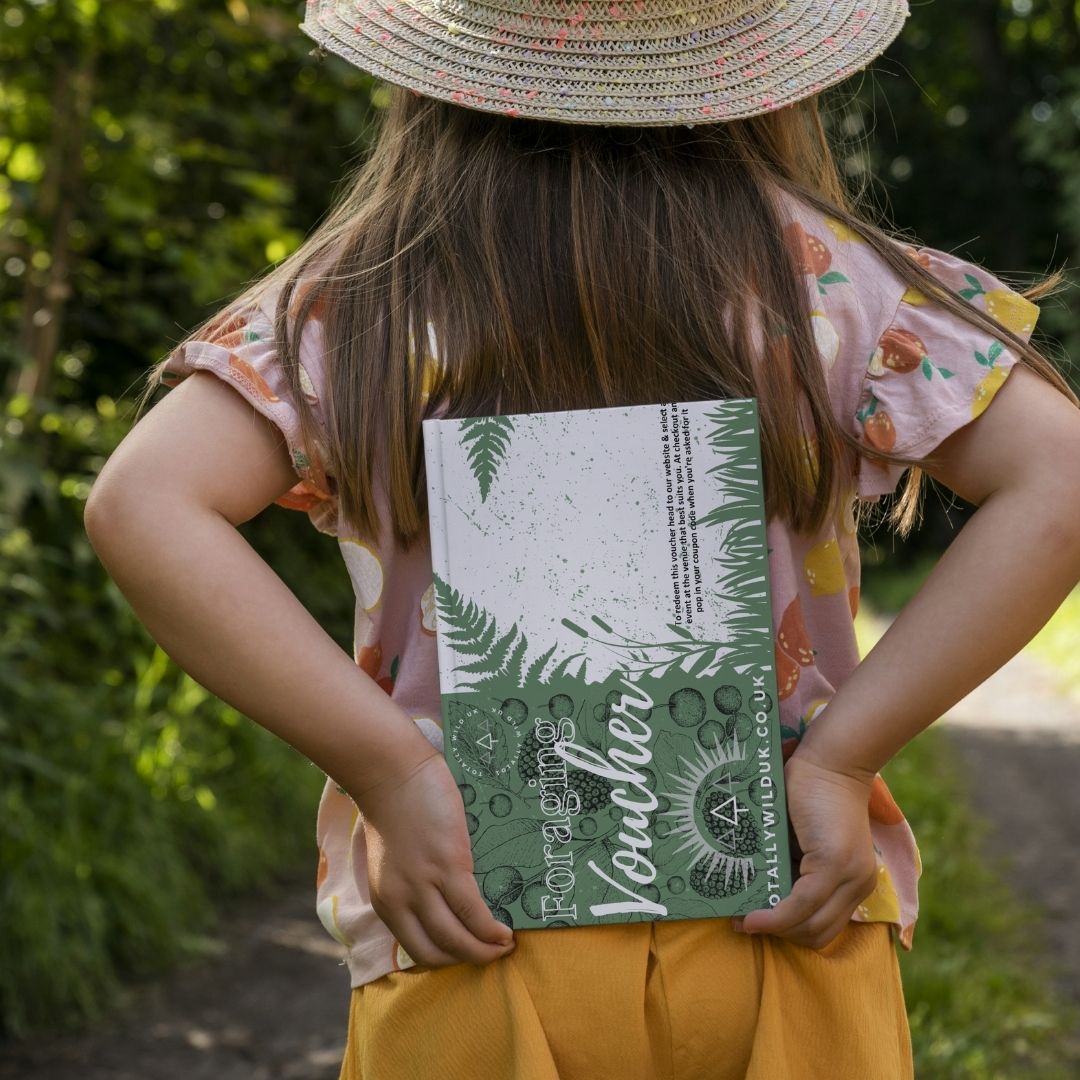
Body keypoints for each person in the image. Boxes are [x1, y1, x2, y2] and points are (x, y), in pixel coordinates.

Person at [83, 0, 1080, 1076]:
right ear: (748, 63)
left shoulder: (361, 297)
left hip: (473, 908)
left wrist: (389, 772)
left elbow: (142, 504)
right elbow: (1059, 478)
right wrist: (841, 761)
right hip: (782, 901)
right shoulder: (828, 280)